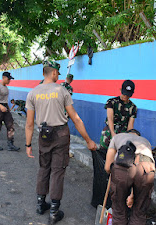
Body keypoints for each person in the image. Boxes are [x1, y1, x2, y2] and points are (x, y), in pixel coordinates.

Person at [25, 61, 97, 224]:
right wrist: (88, 140)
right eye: (57, 72)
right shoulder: (62, 90)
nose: (58, 75)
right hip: (60, 135)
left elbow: (29, 124)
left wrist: (28, 145)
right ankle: (54, 212)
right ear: (53, 73)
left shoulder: (33, 93)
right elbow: (75, 119)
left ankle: (40, 204)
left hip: (43, 136)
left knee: (44, 168)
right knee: (57, 170)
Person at [91, 80, 137, 208]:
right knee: (105, 164)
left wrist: (128, 142)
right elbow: (110, 120)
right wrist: (113, 135)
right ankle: (102, 194)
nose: (125, 96)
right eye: (123, 93)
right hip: (109, 137)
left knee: (119, 165)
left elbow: (130, 127)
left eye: (128, 94)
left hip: (122, 139)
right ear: (120, 90)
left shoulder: (133, 107)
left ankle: (115, 197)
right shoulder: (111, 102)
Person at [104, 129, 155, 225]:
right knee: (139, 212)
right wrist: (132, 195)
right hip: (146, 169)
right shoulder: (145, 141)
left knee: (119, 211)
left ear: (127, 133)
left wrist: (114, 177)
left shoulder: (118, 137)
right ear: (138, 135)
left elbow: (107, 167)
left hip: (123, 167)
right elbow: (137, 170)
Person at [0, 71, 20, 151]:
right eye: (8, 79)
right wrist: (1, 106)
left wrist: (7, 107)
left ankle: (10, 144)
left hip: (5, 107)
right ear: (3, 77)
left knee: (10, 125)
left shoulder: (5, 87)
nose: (9, 81)